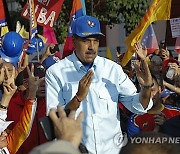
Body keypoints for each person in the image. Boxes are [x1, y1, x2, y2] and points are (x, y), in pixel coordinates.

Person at [45, 15, 153, 154]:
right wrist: (77, 98)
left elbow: (138, 106)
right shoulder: (56, 73)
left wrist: (146, 88)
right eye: (86, 40)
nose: (91, 47)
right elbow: (55, 121)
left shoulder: (112, 69)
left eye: (95, 41)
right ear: (74, 41)